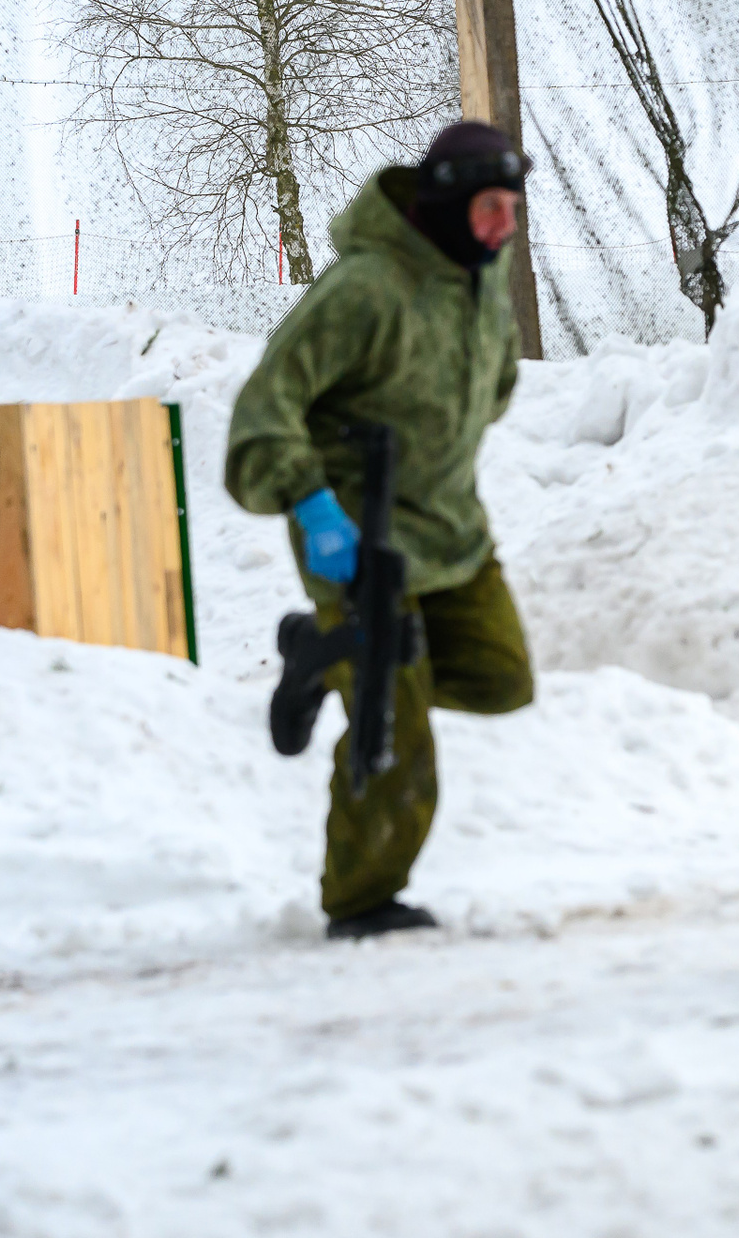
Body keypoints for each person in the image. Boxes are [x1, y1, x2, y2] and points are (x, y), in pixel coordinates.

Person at [225, 121, 536, 941]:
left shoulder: (479, 283)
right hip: (355, 538)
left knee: (502, 678)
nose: (505, 227)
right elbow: (263, 411)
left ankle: (320, 654)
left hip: (450, 529)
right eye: (491, 208)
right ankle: (361, 899)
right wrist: (312, 504)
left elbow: (494, 387)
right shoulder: (364, 289)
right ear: (448, 203)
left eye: (513, 209)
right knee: (396, 729)